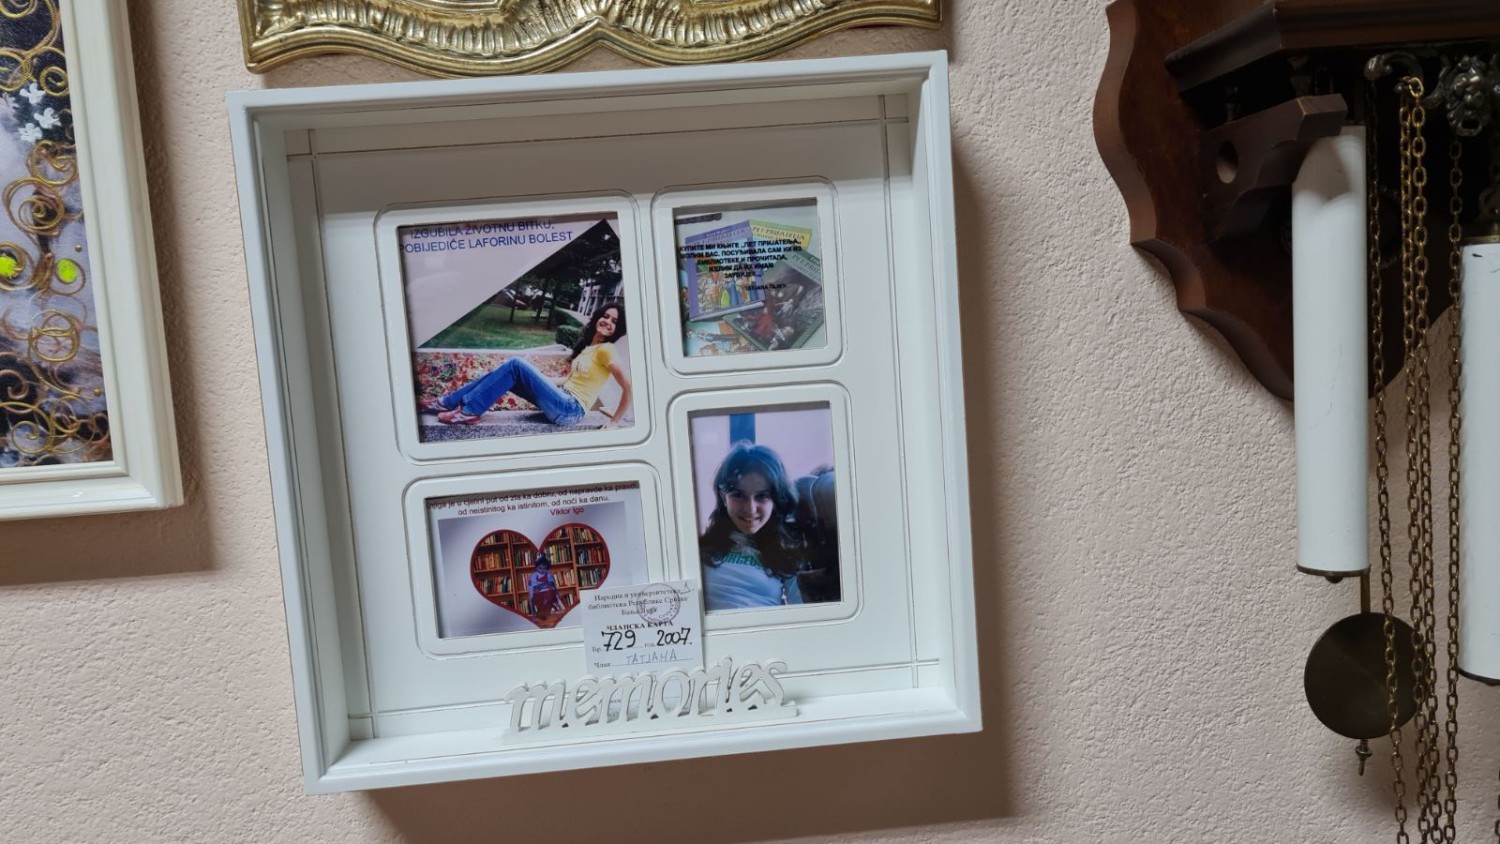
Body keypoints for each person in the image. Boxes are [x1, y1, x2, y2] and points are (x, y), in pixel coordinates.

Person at [425, 302, 632, 429]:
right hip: (562, 400)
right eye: (605, 316)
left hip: (571, 410)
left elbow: (628, 387)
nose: (607, 321)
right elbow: (568, 380)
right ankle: (447, 402)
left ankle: (468, 411)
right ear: (597, 318)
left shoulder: (607, 350)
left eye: (614, 321)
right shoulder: (589, 348)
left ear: (617, 329)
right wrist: (538, 379)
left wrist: (614, 422)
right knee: (505, 373)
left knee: (516, 364)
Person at [699, 441, 807, 611]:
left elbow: (802, 615)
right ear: (723, 497)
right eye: (738, 495)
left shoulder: (787, 552)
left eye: (762, 496)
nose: (750, 509)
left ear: (776, 500)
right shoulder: (700, 548)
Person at [526, 552, 560, 621]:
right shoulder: (533, 576)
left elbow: (553, 586)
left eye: (544, 568)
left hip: (548, 595)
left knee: (552, 595)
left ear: (547, 567)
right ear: (536, 567)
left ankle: (547, 612)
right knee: (533, 597)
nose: (542, 570)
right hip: (538, 596)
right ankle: (537, 614)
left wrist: (555, 592)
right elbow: (532, 590)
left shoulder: (549, 574)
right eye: (540, 568)